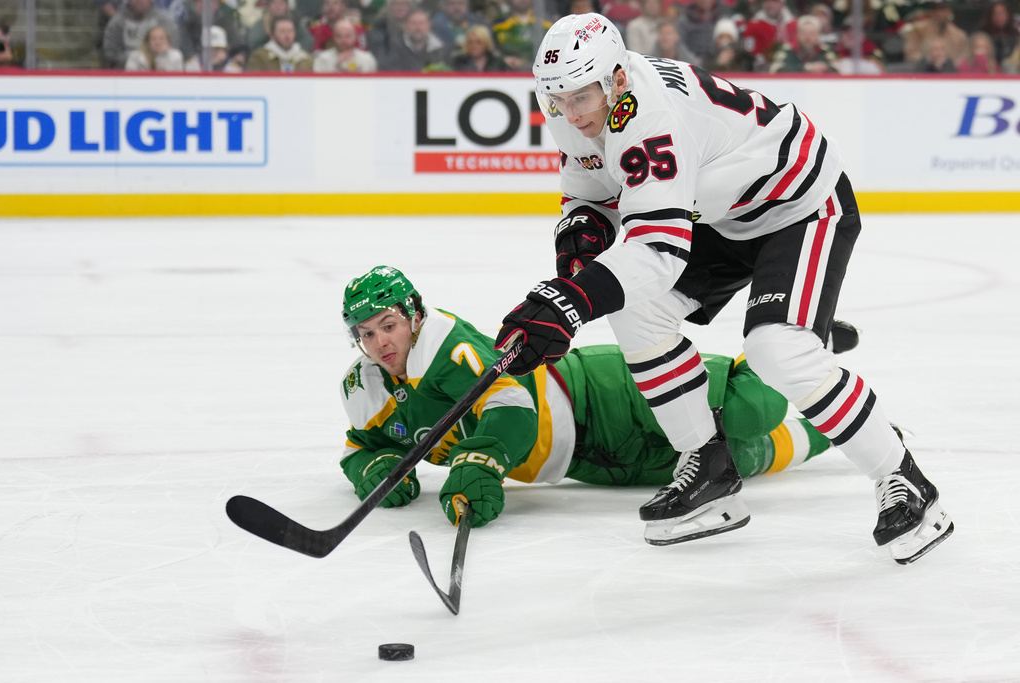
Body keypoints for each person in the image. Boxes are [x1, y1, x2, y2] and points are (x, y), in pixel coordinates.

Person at [492, 12, 953, 564]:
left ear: (617, 79)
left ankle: (904, 480)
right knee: (636, 314)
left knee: (777, 350)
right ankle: (707, 464)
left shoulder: (651, 117)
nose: (569, 113)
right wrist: (575, 262)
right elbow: (591, 198)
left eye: (580, 98)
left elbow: (659, 253)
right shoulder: (584, 101)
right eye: (557, 99)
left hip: (798, 206)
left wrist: (568, 302)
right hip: (721, 212)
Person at [339, 265, 846, 532]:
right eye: (367, 333)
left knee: (747, 410)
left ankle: (799, 342)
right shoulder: (369, 388)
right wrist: (374, 468)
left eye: (389, 325)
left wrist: (485, 458)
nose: (381, 342)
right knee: (739, 458)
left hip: (601, 394)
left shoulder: (450, 348)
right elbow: (358, 445)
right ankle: (843, 432)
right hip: (588, 463)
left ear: (414, 317)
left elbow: (511, 404)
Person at [103, 0, 181, 68]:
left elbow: (173, 48)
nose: (139, 0)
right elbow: (110, 55)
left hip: (161, 71)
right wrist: (138, 59)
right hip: (126, 74)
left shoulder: (164, 21)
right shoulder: (117, 23)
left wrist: (155, 59)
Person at [380, 8, 452, 70]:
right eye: (413, 23)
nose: (418, 28)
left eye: (421, 23)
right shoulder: (394, 47)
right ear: (406, 26)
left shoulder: (440, 49)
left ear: (429, 26)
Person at [769, 13, 839, 73]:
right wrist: (806, 68)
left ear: (818, 35)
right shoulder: (786, 50)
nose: (808, 37)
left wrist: (826, 68)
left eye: (812, 33)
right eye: (804, 33)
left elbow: (837, 70)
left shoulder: (825, 51)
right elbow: (776, 70)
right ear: (797, 34)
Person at [246, 14, 314, 70]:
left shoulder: (306, 59)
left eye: (290, 31)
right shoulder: (259, 58)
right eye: (282, 31)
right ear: (272, 35)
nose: (287, 35)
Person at [313, 17, 379, 71]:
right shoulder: (322, 59)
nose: (343, 41)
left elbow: (372, 85)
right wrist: (337, 66)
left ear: (355, 36)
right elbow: (319, 85)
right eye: (339, 36)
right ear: (333, 37)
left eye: (347, 36)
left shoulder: (367, 59)